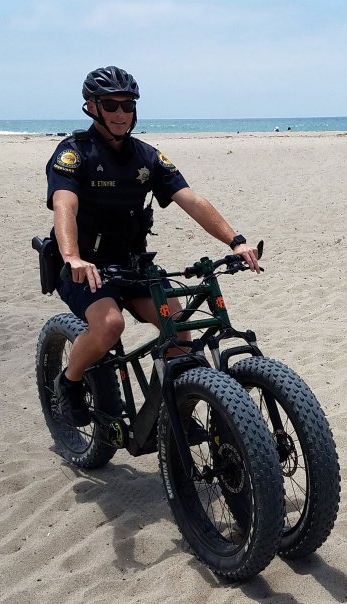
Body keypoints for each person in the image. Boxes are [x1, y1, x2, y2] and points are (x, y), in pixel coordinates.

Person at [45, 65, 259, 426]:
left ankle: (174, 410)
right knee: (110, 325)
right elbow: (65, 204)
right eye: (110, 105)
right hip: (87, 270)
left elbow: (190, 199)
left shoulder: (147, 156)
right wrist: (72, 257)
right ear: (91, 107)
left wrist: (236, 241)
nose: (120, 114)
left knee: (178, 327)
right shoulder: (74, 153)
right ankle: (68, 382)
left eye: (127, 105)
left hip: (133, 265)